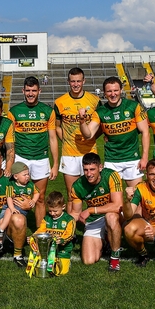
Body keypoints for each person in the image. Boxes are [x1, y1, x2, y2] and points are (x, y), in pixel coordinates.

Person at [79, 76, 150, 187]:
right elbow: (88, 134)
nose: (113, 94)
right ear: (104, 93)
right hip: (112, 161)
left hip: (132, 159)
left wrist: (144, 157)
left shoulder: (134, 106)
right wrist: (82, 121)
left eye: (116, 90)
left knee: (136, 197)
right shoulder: (100, 112)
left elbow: (145, 131)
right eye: (109, 91)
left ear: (121, 90)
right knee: (113, 198)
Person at [6, 76, 59, 223]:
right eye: (28, 90)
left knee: (40, 197)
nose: (30, 93)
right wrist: (10, 163)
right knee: (16, 196)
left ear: (39, 91)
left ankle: (39, 233)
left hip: (41, 158)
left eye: (34, 90)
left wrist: (55, 164)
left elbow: (53, 138)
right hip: (20, 159)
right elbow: (10, 141)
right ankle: (17, 227)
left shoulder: (48, 111)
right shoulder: (14, 111)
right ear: (23, 91)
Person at [54, 67, 100, 209]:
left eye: (78, 81)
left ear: (83, 81)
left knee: (94, 193)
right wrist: (66, 140)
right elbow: (57, 126)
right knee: (71, 194)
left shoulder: (94, 100)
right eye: (73, 81)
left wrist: (92, 137)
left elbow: (100, 124)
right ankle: (71, 229)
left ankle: (95, 224)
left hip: (90, 153)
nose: (75, 84)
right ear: (68, 82)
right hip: (69, 155)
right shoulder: (59, 102)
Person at [69, 153, 124, 271]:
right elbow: (75, 213)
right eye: (86, 170)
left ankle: (114, 259)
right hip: (94, 220)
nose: (89, 174)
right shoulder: (77, 186)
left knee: (111, 217)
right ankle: (105, 241)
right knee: (88, 260)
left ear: (100, 167)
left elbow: (118, 205)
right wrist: (60, 226)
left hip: (114, 215)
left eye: (92, 169)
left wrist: (91, 209)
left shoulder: (111, 175)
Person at [28, 191, 75, 276]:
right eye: (50, 211)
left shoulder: (69, 220)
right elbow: (40, 230)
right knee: (40, 268)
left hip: (63, 250)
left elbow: (70, 235)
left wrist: (62, 240)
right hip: (49, 250)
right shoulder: (47, 218)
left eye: (55, 211)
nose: (52, 214)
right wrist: (33, 237)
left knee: (60, 272)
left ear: (63, 207)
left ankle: (67, 262)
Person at [0, 162, 39, 250]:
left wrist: (33, 200)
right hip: (11, 206)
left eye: (28, 174)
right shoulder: (11, 185)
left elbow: (37, 192)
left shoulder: (30, 185)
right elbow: (9, 198)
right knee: (2, 219)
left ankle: (0, 230)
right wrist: (12, 208)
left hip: (22, 209)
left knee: (7, 217)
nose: (27, 176)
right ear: (16, 177)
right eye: (24, 175)